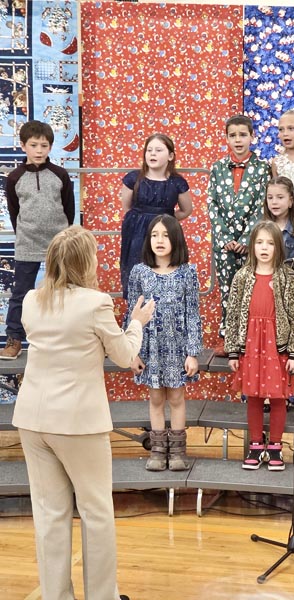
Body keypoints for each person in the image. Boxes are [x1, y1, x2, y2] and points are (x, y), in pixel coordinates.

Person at [12, 225, 154, 600]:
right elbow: (124, 355)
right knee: (95, 511)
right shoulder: (96, 302)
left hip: (32, 419)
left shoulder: (31, 300)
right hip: (77, 422)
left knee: (49, 516)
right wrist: (137, 323)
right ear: (84, 262)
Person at [127, 215, 201, 471]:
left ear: (176, 239)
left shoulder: (187, 273)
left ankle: (178, 451)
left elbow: (192, 313)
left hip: (178, 347)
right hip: (151, 348)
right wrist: (133, 351)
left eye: (166, 235)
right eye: (155, 235)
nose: (159, 240)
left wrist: (192, 352)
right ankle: (158, 451)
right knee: (156, 398)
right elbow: (132, 314)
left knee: (177, 397)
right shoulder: (139, 273)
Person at [226, 221, 294, 470]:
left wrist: (293, 352)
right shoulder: (242, 276)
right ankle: (256, 445)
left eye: (270, 243)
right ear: (252, 246)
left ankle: (276, 447)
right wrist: (233, 350)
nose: (264, 248)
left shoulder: (288, 278)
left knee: (278, 398)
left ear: (279, 247)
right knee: (255, 397)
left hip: (276, 346)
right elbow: (233, 314)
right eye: (259, 242)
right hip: (250, 345)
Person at [1, 120, 74, 360]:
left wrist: (62, 237)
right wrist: (26, 233)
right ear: (23, 146)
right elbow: (14, 212)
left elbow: (68, 210)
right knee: (21, 292)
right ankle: (14, 339)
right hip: (27, 243)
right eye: (34, 145)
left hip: (58, 244)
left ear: (51, 147)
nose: (39, 150)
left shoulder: (60, 175)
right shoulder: (14, 178)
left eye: (44, 145)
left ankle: (65, 337)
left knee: (64, 290)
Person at [207, 114, 271, 355]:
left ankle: (248, 338)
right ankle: (227, 337)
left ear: (252, 137)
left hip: (251, 244)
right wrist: (225, 239)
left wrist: (246, 240)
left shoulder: (263, 168)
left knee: (250, 290)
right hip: (224, 245)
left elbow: (261, 206)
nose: (238, 140)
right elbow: (211, 203)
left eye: (243, 135)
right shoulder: (217, 167)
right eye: (232, 135)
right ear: (226, 138)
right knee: (227, 290)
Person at [119, 133, 192, 301]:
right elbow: (127, 208)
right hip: (136, 231)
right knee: (137, 271)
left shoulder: (177, 182)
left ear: (171, 156)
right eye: (149, 150)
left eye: (158, 150)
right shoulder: (133, 178)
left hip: (164, 231)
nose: (152, 154)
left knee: (164, 268)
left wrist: (167, 220)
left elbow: (186, 210)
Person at [265, 175, 294, 259]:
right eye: (270, 198)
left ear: (290, 201)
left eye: (280, 197)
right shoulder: (261, 228)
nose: (274, 202)